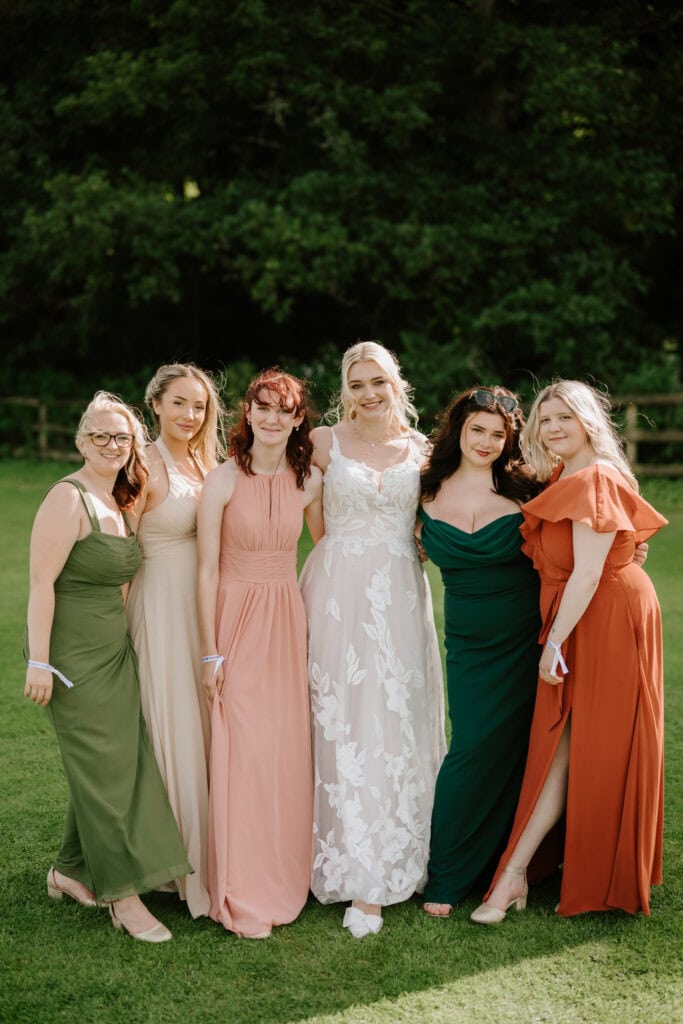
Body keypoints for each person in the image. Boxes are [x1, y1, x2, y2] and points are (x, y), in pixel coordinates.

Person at [471, 380, 667, 923]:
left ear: (587, 421)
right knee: (565, 742)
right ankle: (515, 875)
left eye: (564, 418)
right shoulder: (564, 476)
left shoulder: (596, 477)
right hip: (587, 613)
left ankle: (528, 875)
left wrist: (553, 642)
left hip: (605, 618)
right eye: (545, 419)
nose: (553, 428)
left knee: (587, 740)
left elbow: (586, 572)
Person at [24, 392, 191, 942]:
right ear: (79, 439)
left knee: (116, 763)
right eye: (99, 435)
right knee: (106, 770)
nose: (111, 445)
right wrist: (40, 662)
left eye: (121, 437)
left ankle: (70, 872)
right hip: (73, 662)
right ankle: (123, 895)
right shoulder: (67, 497)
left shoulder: (119, 498)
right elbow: (41, 585)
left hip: (116, 653)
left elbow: (121, 584)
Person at [299, 340, 446, 939]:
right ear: (344, 389)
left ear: (396, 384)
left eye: (377, 382)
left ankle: (398, 855)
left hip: (401, 594)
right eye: (356, 383)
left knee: (397, 716)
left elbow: (449, 506)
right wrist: (339, 555)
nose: (367, 394)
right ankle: (347, 862)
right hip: (337, 590)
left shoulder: (422, 448)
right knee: (340, 716)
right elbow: (309, 515)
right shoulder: (324, 442)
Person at [197, 369, 323, 939]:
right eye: (262, 407)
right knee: (241, 750)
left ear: (299, 420)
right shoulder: (221, 481)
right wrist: (209, 650)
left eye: (284, 410)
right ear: (247, 414)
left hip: (285, 615)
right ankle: (240, 884)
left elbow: (326, 547)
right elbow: (204, 570)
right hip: (234, 617)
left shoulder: (309, 480)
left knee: (281, 749)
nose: (272, 418)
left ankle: (284, 869)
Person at [417, 387, 543, 918]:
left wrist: (631, 543)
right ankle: (448, 872)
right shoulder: (422, 489)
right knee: (470, 745)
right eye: (478, 431)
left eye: (498, 434)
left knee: (516, 747)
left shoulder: (528, 490)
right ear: (459, 430)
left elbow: (589, 520)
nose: (487, 442)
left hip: (524, 638)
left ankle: (507, 866)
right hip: (466, 643)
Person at [126, 363, 227, 918]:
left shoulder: (204, 461)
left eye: (199, 406)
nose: (190, 415)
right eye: (180, 403)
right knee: (171, 725)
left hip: (201, 608)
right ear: (156, 403)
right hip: (160, 604)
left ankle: (193, 853)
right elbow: (122, 547)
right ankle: (170, 866)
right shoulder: (142, 463)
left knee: (202, 724)